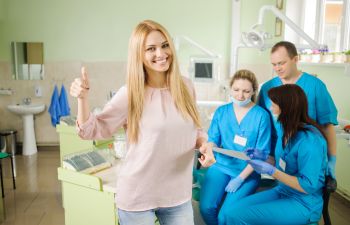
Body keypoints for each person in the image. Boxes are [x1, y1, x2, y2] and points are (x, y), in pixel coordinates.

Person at [69, 20, 215, 225]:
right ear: (139, 54)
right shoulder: (131, 93)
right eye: (151, 49)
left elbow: (195, 130)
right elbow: (91, 130)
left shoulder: (185, 86)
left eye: (165, 45)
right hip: (138, 196)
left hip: (178, 195)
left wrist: (205, 146)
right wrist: (82, 99)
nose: (161, 53)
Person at [227, 84, 328, 225]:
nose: (271, 107)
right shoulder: (286, 130)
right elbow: (284, 161)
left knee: (237, 217)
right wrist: (263, 157)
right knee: (230, 212)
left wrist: (271, 171)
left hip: (303, 202)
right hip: (283, 190)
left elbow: (307, 186)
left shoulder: (310, 141)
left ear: (287, 107)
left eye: (274, 104)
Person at [199, 70, 271, 225]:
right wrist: (209, 150)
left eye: (246, 91)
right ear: (230, 89)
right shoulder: (222, 112)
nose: (240, 95)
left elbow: (261, 154)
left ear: (253, 92)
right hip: (220, 166)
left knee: (226, 216)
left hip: (246, 172)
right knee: (206, 208)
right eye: (236, 90)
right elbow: (213, 140)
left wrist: (240, 178)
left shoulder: (261, 116)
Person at [258, 41, 338, 178]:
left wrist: (332, 159)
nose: (277, 68)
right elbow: (261, 123)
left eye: (281, 63)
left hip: (306, 155)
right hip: (278, 155)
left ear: (295, 59)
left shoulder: (315, 86)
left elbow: (327, 125)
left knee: (305, 188)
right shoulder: (268, 88)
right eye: (274, 64)